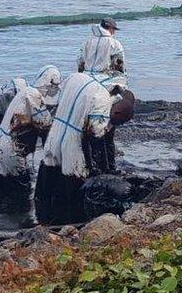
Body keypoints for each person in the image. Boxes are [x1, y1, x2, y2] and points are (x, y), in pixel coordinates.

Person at [35, 72, 134, 225]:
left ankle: (41, 221)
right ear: (117, 111)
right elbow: (96, 135)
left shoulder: (78, 79)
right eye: (118, 121)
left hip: (55, 136)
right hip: (72, 147)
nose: (114, 125)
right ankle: (67, 226)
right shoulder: (102, 99)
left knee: (45, 191)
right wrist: (101, 171)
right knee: (70, 193)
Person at [0, 66, 62, 197]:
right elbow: (45, 124)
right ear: (49, 83)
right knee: (20, 195)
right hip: (10, 149)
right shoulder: (34, 96)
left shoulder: (26, 91)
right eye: (55, 85)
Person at [77, 18, 126, 83]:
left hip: (86, 78)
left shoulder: (87, 42)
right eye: (114, 29)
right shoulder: (115, 43)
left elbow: (80, 61)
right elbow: (119, 64)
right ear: (111, 28)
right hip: (104, 79)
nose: (114, 32)